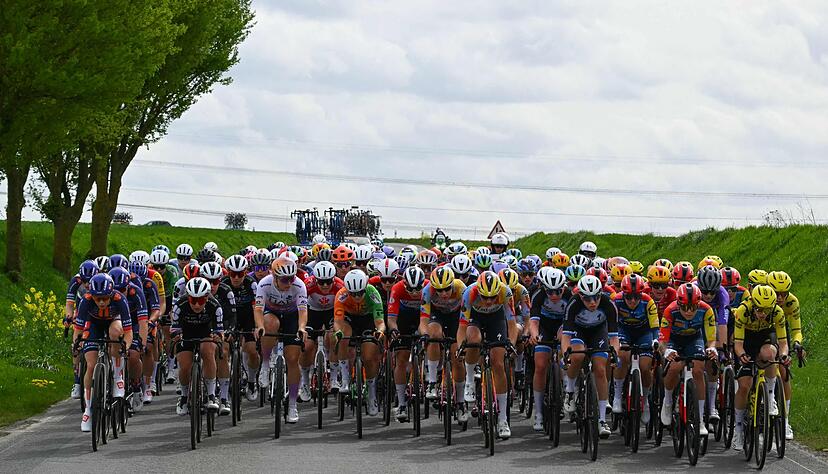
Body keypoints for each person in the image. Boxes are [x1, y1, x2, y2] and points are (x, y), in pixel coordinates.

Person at [457, 271, 518, 439]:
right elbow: (462, 326)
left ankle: (503, 420)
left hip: (496, 320)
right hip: (475, 319)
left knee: (498, 363)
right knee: (473, 339)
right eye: (485, 297)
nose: (489, 301)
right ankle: (470, 380)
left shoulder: (505, 292)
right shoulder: (469, 292)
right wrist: (462, 345)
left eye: (492, 297)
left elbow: (512, 323)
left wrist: (511, 344)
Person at [561, 275, 619, 438]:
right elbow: (566, 337)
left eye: (596, 297)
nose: (592, 302)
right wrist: (567, 354)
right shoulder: (573, 304)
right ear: (580, 296)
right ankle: (570, 390)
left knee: (600, 369)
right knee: (577, 356)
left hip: (598, 332)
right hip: (578, 331)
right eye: (587, 299)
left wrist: (614, 353)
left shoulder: (608, 304)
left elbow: (614, 338)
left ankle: (602, 419)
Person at [731, 285, 788, 450]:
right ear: (752, 303)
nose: (762, 314)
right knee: (744, 386)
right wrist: (742, 356)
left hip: (764, 336)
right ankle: (739, 429)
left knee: (771, 356)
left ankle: (770, 398)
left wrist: (783, 355)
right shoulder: (743, 311)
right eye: (758, 309)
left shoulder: (777, 313)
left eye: (766, 310)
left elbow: (783, 343)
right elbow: (739, 344)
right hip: (746, 341)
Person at [73, 274, 133, 431]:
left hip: (114, 322)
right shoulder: (86, 300)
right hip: (93, 325)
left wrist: (125, 346)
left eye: (105, 298)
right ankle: (88, 410)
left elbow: (128, 332)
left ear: (111, 294)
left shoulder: (120, 299)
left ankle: (117, 375)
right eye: (97, 298)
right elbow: (78, 330)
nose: (100, 302)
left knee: (115, 333)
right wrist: (76, 345)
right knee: (91, 365)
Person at [658, 283, 717, 437]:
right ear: (678, 303)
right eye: (684, 307)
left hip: (694, 339)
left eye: (693, 307)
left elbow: (711, 339)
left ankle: (700, 420)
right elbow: (662, 341)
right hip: (674, 340)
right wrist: (666, 351)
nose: (689, 311)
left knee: (698, 369)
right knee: (675, 367)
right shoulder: (670, 310)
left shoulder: (706, 310)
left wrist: (711, 348)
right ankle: (668, 400)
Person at [254, 257, 308, 424]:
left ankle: (292, 404)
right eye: (285, 279)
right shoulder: (264, 283)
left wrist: (301, 328)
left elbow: (303, 311)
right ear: (275, 277)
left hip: (292, 317)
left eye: (291, 278)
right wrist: (259, 326)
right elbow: (258, 309)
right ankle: (264, 364)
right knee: (270, 324)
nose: (289, 282)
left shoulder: (299, 285)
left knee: (292, 359)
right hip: (272, 313)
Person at [333, 270, 386, 415]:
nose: (356, 297)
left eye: (359, 293)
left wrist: (379, 331)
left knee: (369, 357)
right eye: (353, 294)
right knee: (343, 335)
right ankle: (344, 378)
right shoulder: (342, 295)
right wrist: (337, 333)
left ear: (365, 287)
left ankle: (372, 392)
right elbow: (337, 321)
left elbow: (380, 322)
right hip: (349, 319)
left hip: (367, 320)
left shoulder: (372, 293)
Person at [419, 266, 467, 422]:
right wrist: (425, 335)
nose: (444, 293)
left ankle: (460, 403)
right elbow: (423, 319)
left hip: (456, 319)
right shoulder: (427, 291)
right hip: (437, 316)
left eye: (447, 289)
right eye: (440, 291)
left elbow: (468, 317)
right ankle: (432, 381)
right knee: (433, 335)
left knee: (457, 361)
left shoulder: (461, 288)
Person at [172, 277, 224, 416]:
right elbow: (174, 329)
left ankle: (211, 395)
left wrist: (218, 336)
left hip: (205, 332)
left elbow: (219, 331)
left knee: (208, 351)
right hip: (187, 332)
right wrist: (177, 335)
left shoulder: (215, 306)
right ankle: (183, 397)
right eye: (193, 300)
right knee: (185, 365)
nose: (196, 305)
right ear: (188, 297)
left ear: (207, 297)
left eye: (200, 300)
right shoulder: (180, 305)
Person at [611, 274, 658, 423]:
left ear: (641, 294)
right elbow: (610, 323)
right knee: (623, 356)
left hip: (643, 333)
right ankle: (618, 395)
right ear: (623, 294)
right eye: (629, 297)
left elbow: (654, 326)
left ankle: (644, 402)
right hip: (623, 331)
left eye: (636, 297)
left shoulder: (648, 301)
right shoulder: (616, 300)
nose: (632, 301)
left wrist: (655, 340)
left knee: (645, 366)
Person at [528, 267, 569, 431]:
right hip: (544, 327)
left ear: (564, 288)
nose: (554, 296)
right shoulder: (538, 296)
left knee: (565, 353)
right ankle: (538, 412)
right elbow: (533, 322)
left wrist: (564, 333)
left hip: (562, 326)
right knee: (540, 365)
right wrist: (535, 336)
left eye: (558, 291)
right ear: (544, 289)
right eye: (550, 292)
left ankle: (565, 385)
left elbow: (571, 322)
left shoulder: (569, 297)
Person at [766, 271, 802, 440]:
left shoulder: (792, 302)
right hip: (763, 331)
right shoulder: (763, 298)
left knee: (785, 372)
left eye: (784, 294)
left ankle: (786, 420)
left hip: (781, 331)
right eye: (777, 293)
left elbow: (796, 330)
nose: (780, 297)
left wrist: (797, 342)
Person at [388, 266, 427, 419]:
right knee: (401, 358)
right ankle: (402, 403)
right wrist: (394, 330)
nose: (414, 292)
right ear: (404, 284)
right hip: (403, 320)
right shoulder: (397, 289)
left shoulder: (428, 287)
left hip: (422, 318)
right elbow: (391, 318)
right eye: (410, 289)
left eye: (417, 288)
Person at [222, 254, 260, 401]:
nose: (236, 277)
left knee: (251, 350)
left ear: (246, 272)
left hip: (247, 317)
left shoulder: (251, 284)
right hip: (228, 318)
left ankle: (251, 381)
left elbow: (257, 307)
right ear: (228, 272)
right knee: (224, 351)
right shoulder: (224, 284)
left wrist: (257, 326)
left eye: (240, 274)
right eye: (233, 274)